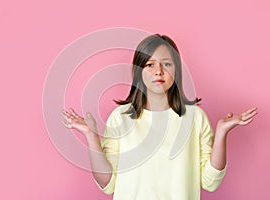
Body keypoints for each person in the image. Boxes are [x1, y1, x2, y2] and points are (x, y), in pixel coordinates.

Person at [62, 34, 258, 200]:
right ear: (139, 71)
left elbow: (210, 182)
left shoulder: (195, 117)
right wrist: (90, 136)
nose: (158, 71)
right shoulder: (120, 118)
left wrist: (222, 133)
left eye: (166, 64)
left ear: (177, 70)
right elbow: (108, 184)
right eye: (149, 64)